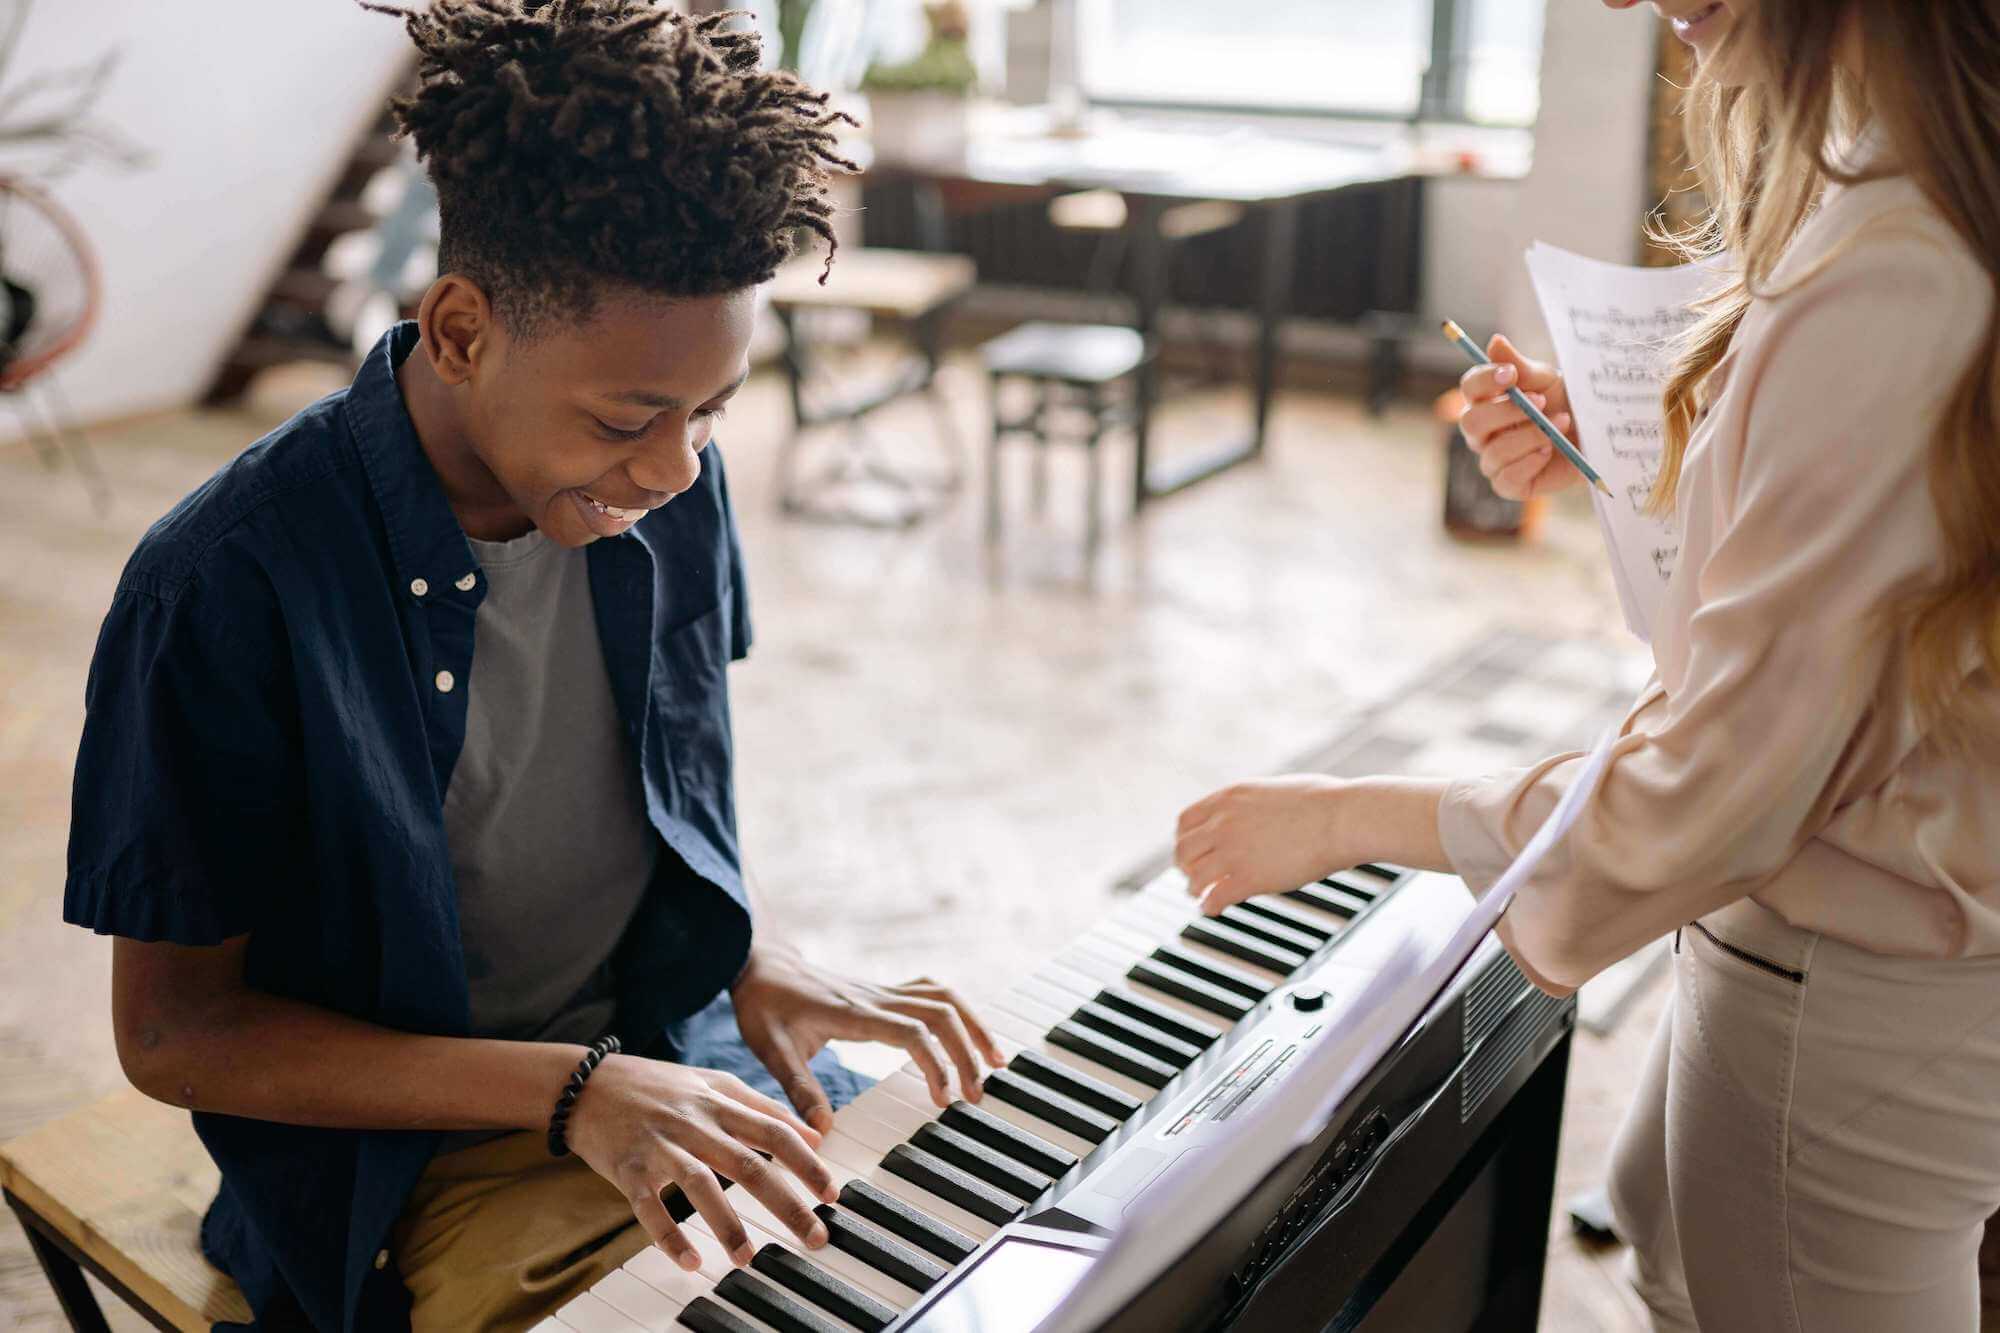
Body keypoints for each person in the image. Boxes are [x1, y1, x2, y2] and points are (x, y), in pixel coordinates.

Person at [63, 4, 1003, 1329]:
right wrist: (567, 1090)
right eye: (632, 417)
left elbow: (646, 808)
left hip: (665, 1048)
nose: (678, 466)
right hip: (414, 1159)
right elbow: (171, 1037)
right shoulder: (221, 583)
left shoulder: (669, 483)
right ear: (458, 330)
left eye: (714, 412)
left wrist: (751, 950)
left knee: (972, 1245)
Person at [1174, 1, 2000, 1328]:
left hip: (1857, 988)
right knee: (1671, 1238)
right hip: (1825, 953)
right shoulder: (1899, 189)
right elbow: (1854, 587)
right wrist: (1639, 460)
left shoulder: (1898, 264)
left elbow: (1708, 791)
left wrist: (1347, 815)